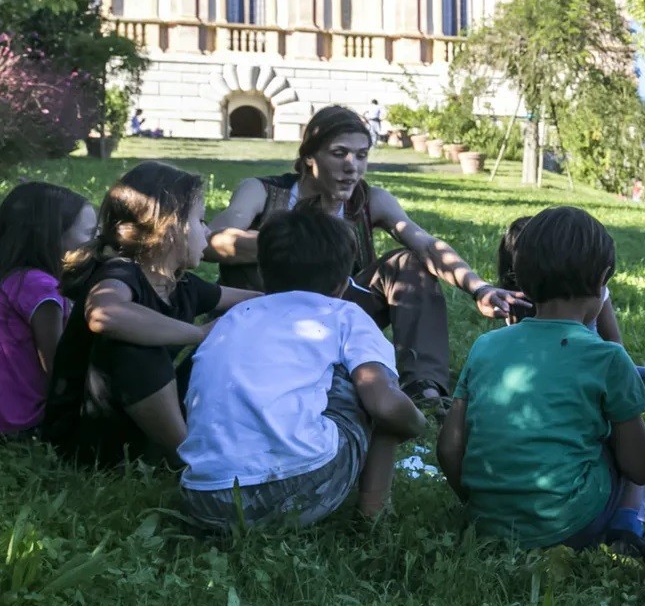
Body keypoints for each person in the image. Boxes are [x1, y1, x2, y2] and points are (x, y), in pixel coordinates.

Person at [203, 105, 525, 406]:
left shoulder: (371, 201)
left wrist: (479, 288)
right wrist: (297, 245)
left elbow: (427, 245)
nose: (351, 166)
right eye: (339, 153)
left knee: (409, 261)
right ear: (310, 157)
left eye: (361, 155)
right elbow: (213, 242)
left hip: (339, 313)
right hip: (264, 310)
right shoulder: (262, 191)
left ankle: (424, 393)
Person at [178, 207, 428, 529]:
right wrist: (417, 424)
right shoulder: (344, 315)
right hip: (296, 491)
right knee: (370, 381)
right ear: (342, 285)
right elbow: (386, 405)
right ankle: (374, 514)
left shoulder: (233, 317)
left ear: (263, 273)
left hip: (202, 499)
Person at [438, 206, 645, 554]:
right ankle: (627, 524)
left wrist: (479, 503)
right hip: (572, 525)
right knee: (619, 437)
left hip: (486, 523)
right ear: (601, 281)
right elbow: (639, 467)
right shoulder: (609, 357)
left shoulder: (485, 346)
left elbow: (449, 447)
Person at [43, 162, 260, 465]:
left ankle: (218, 441)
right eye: (200, 220)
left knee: (236, 336)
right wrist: (199, 334)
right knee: (135, 347)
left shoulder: (180, 284)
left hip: (139, 428)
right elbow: (104, 314)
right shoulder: (120, 271)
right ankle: (191, 460)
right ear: (170, 228)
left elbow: (259, 303)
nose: (208, 231)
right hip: (88, 440)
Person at [0, 182, 97, 436]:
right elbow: (59, 371)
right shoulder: (40, 287)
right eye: (89, 234)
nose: (96, 243)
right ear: (52, 236)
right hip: (17, 429)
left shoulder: (6, 279)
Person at [496, 213, 645, 388]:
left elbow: (614, 341)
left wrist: (618, 369)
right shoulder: (513, 301)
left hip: (593, 362)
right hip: (553, 369)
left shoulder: (593, 292)